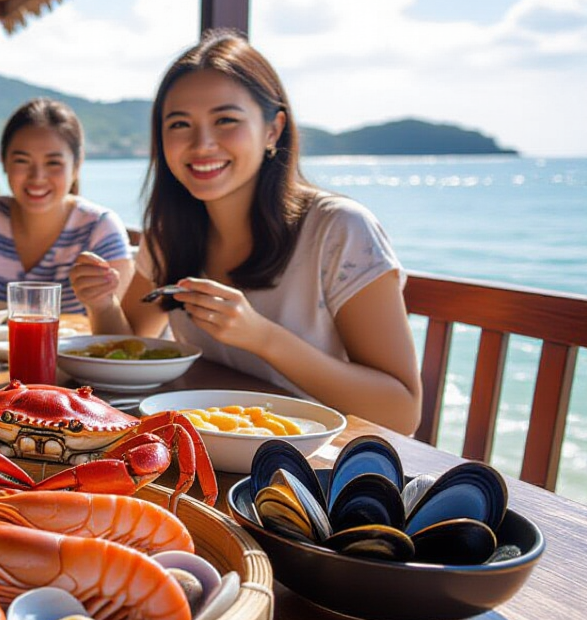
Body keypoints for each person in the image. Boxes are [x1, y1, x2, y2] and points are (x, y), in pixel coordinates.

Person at [70, 29, 421, 433]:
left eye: (226, 120)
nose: (202, 143)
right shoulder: (169, 232)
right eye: (180, 124)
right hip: (206, 444)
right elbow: (128, 354)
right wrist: (102, 304)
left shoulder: (340, 229)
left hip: (311, 457)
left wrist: (263, 337)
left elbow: (401, 412)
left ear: (273, 129)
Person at [0, 98, 134, 314]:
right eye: (22, 161)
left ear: (76, 166)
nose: (37, 177)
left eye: (53, 163)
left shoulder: (100, 228)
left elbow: (119, 326)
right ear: (4, 161)